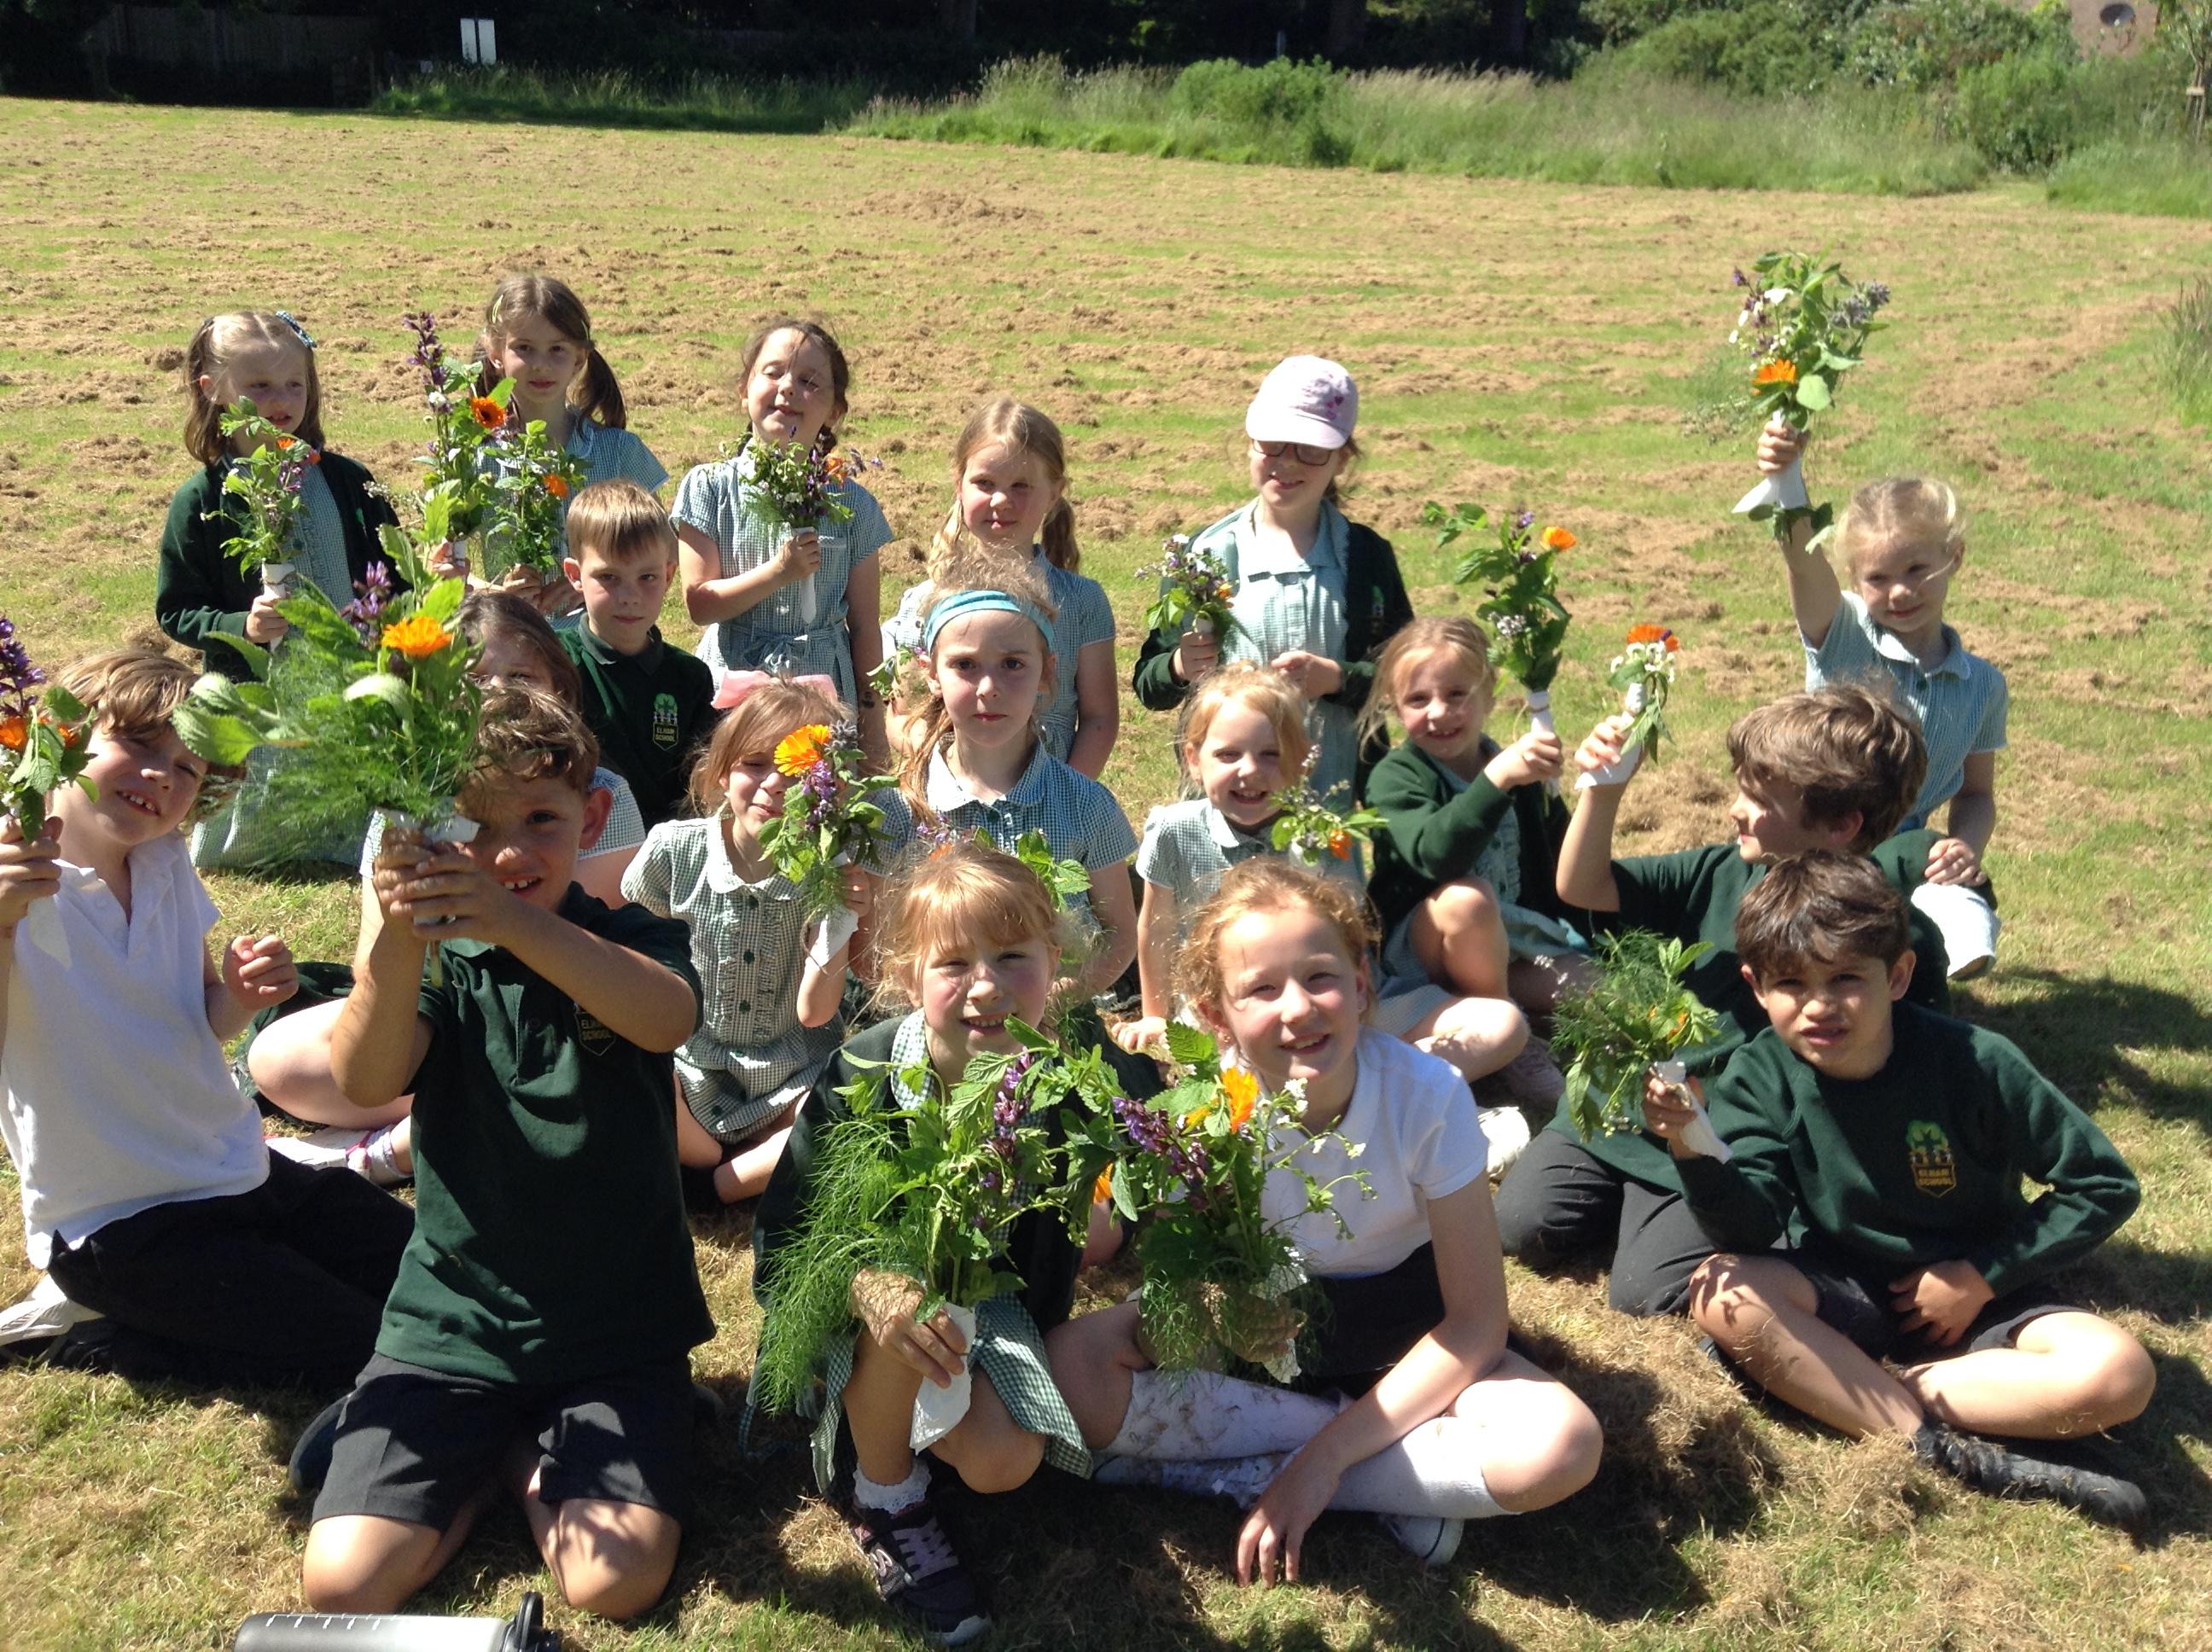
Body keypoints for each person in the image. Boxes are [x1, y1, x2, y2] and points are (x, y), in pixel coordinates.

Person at [1050, 861, 1602, 1585]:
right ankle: (1398, 1480)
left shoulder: (1426, 1096)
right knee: (1068, 1368)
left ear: (1363, 983)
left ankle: (1254, 1474)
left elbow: (1474, 1325)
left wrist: (1324, 1463)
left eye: (1320, 977)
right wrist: (1217, 1310)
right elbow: (1180, 1295)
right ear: (1215, 1016)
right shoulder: (1203, 1114)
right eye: (1261, 989)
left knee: (1562, 1445)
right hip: (1263, 1337)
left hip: (1409, 1337)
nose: (1298, 1008)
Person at [299, 687, 713, 1620]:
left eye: (540, 820)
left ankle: (512, 1447)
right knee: (341, 1581)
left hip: (616, 1324)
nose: (509, 853)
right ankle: (481, 1452)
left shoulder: (629, 936)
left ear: (592, 819)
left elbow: (666, 1017)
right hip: (453, 1319)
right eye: (476, 827)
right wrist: (397, 930)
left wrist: (510, 920)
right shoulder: (440, 963)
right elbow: (365, 1078)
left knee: (614, 1584)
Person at [1647, 852, 2151, 1523]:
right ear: (1756, 986)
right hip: (1846, 1286)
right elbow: (1751, 1229)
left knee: (2121, 1374)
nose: (1819, 1005)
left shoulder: (1977, 1061)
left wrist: (1981, 1276)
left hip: (1981, 1297)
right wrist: (1691, 1145)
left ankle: (1849, 1385)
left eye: (1846, 978)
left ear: (1899, 975)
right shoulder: (1757, 1076)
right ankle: (1941, 1449)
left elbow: (2103, 1183)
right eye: (1791, 983)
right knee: (1723, 1290)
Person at [750, 838, 1163, 1644]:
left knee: (1005, 1463)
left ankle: (931, 1432)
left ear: (1055, 963)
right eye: (953, 964)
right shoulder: (864, 1076)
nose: (986, 987)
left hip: (993, 1311)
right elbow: (784, 1248)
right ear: (908, 977)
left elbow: (1162, 1128)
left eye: (1012, 957)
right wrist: (865, 1285)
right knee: (904, 1310)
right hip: (863, 1327)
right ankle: (883, 1492)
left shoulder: (1074, 1062)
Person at [0, 649, 411, 1388]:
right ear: (61, 736)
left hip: (237, 1173)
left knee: (430, 1273)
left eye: (188, 768)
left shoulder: (163, 861)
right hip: (120, 1226)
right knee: (355, 1348)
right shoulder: (14, 880)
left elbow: (195, 1023)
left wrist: (241, 997)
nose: (162, 774)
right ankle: (106, 1332)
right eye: (139, 744)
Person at [1493, 684, 1954, 1318]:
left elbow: (1920, 1075)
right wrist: (1602, 788)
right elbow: (1581, 885)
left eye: (1760, 799)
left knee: (1643, 1292)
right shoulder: (1718, 873)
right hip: (1622, 1109)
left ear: (1841, 826)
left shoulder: (1888, 936)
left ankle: (1656, 1214)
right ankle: (1631, 1205)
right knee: (1520, 1227)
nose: (1735, 809)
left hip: (1722, 1142)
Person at [247, 592, 649, 1187]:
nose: (496, 695)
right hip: (445, 1008)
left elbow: (596, 951)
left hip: (564, 1021)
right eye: (475, 680)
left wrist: (480, 907)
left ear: (560, 690)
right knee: (278, 1057)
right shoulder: (408, 805)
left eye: (520, 677)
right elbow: (371, 961)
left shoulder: (596, 799)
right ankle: (461, 1113)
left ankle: (397, 1146)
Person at [1122, 662, 1528, 1112]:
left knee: (1502, 1023)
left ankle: (1390, 1085)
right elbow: (1156, 926)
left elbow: (1348, 937)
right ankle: (1361, 1089)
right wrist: (1155, 1016)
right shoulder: (1175, 831)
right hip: (1236, 1016)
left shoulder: (1320, 835)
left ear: (1302, 764)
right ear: (1194, 760)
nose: (1250, 770)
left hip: (1341, 1004)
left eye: (1271, 754)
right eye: (1228, 755)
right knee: (1236, 1084)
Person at [625, 673, 904, 1207]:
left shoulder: (829, 873)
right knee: (633, 1072)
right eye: (755, 764)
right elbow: (635, 969)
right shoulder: (673, 851)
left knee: (842, 1104)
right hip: (690, 1064)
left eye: (798, 773)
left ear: (831, 793)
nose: (775, 783)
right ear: (721, 771)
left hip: (790, 1068)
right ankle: (717, 1157)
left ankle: (716, 1184)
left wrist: (840, 920)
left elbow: (815, 1014)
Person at [1755, 420, 2005, 978]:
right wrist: (1788, 480)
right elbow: (1802, 560)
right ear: (1853, 579)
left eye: (1917, 569)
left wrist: (1965, 847)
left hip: (1904, 856)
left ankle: (1928, 960)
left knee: (1962, 921)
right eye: (1878, 577)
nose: (1900, 591)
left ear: (1955, 557)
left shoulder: (1982, 686)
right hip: (1807, 842)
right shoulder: (1841, 634)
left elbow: (1977, 794)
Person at [154, 310, 400, 867]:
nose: (281, 400)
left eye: (294, 384)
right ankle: (259, 845)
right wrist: (240, 625)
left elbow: (394, 573)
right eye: (260, 386)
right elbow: (177, 609)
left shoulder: (349, 481)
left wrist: (388, 617)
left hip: (351, 678)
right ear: (212, 389)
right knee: (265, 801)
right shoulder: (202, 500)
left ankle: (351, 838)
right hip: (257, 693)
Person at [1132, 355, 1412, 804]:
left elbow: (1405, 679)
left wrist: (1337, 678)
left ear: (1342, 459)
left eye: (1311, 449)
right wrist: (1180, 666)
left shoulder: (1365, 557)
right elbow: (1149, 682)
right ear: (1250, 443)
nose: (1288, 462)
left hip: (1331, 801)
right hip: (1226, 806)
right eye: (1273, 444)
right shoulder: (1203, 556)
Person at [1360, 615, 1591, 1102]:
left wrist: (1589, 788)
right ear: (1395, 706)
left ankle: (1512, 1018)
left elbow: (1552, 861)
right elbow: (1436, 857)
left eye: (1456, 694)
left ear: (1488, 693)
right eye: (1418, 700)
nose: (1439, 713)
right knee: (1468, 899)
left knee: (1600, 990)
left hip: (1512, 941)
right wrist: (1497, 781)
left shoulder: (1510, 765)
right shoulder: (1394, 776)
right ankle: (1510, 1039)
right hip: (1424, 950)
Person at [899, 557, 1138, 1000]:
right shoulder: (905, 808)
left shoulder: (1085, 805)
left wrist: (1053, 999)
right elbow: (892, 942)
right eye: (965, 665)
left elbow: (1120, 934)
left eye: (1012, 664)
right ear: (932, 674)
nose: (989, 687)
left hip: (1056, 1026)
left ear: (1047, 672)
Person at [671, 317, 888, 743]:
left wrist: (874, 727)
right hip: (734, 693)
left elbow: (866, 627)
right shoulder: (709, 487)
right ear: (744, 389)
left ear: (835, 411)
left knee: (819, 786)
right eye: (773, 373)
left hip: (825, 696)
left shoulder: (854, 506)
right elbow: (700, 604)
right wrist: (778, 572)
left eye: (809, 381)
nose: (788, 387)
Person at [885, 398, 1117, 776]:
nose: (1001, 500)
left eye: (1020, 485)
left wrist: (1068, 793)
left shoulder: (1081, 601)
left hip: (1052, 787)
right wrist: (944, 775)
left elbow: (1099, 719)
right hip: (949, 792)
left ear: (1054, 492)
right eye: (985, 483)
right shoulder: (925, 600)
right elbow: (902, 714)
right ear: (959, 485)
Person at [462, 272, 667, 625]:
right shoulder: (474, 457)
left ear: (580, 357)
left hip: (603, 639)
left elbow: (665, 553)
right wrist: (495, 595)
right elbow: (439, 566)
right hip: (510, 639)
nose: (540, 364)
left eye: (557, 349)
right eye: (524, 348)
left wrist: (595, 583)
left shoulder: (617, 451)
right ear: (496, 353)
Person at [558, 479, 719, 829]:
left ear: (668, 575)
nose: (629, 596)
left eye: (646, 577)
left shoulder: (690, 677)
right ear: (575, 575)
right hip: (582, 845)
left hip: (666, 848)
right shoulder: (554, 663)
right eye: (609, 577)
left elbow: (700, 789)